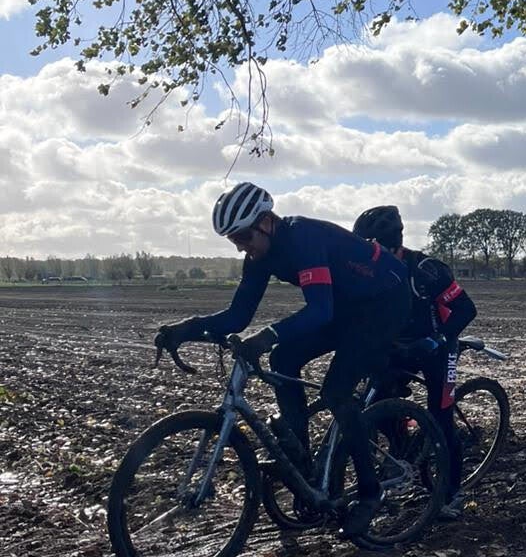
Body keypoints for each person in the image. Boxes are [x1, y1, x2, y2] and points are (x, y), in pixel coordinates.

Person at [155, 184, 413, 536]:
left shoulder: (303, 238)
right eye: (233, 240)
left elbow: (320, 311)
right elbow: (237, 317)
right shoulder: (259, 257)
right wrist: (184, 329)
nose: (240, 246)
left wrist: (267, 335)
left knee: (336, 391)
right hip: (348, 304)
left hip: (386, 303)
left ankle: (370, 492)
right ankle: (302, 459)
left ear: (265, 222)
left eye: (243, 236)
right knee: (283, 358)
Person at [352, 204, 477, 519]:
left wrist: (437, 339)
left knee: (441, 418)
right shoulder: (367, 271)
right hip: (399, 347)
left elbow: (466, 309)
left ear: (392, 244)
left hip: (439, 347)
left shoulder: (425, 269)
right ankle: (401, 452)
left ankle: (451, 492)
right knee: (376, 406)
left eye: (372, 248)